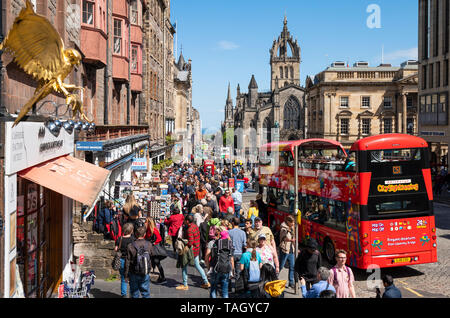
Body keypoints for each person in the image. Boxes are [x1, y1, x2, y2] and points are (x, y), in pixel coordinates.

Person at [176, 214, 210, 291]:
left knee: (184, 265)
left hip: (191, 250)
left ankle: (185, 284)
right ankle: (206, 282)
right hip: (197, 248)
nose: (184, 221)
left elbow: (190, 242)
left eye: (185, 220)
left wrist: (185, 245)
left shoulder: (189, 230)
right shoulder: (195, 226)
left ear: (187, 221)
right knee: (198, 265)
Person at [124, 226, 154, 298]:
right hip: (145, 271)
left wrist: (126, 275)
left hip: (133, 272)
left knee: (134, 293)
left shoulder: (130, 246)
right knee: (146, 293)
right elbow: (152, 256)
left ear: (135, 234)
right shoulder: (149, 244)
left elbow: (127, 261)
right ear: (144, 234)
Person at [207, 231, 235, 298]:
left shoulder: (215, 243)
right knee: (225, 291)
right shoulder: (230, 244)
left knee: (213, 288)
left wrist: (209, 268)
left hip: (216, 267)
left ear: (220, 235)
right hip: (226, 268)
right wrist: (232, 271)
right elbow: (232, 260)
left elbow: (207, 256)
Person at [114, 222, 135, 297]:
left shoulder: (120, 239)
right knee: (132, 278)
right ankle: (132, 294)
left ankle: (124, 294)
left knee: (123, 278)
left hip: (122, 260)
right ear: (131, 231)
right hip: (130, 261)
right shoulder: (133, 239)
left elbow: (116, 249)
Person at [145, 217, 166, 284]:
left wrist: (154, 243)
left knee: (157, 262)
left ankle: (163, 277)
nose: (144, 223)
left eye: (146, 221)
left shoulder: (154, 230)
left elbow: (159, 239)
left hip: (154, 249)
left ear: (149, 223)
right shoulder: (147, 229)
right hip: (150, 249)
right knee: (151, 261)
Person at [228, 217, 247, 282]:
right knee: (238, 272)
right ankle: (237, 286)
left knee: (231, 271)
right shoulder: (243, 233)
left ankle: (231, 286)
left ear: (232, 223)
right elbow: (245, 245)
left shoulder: (229, 232)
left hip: (231, 254)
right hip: (240, 253)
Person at [279, 215, 296, 289]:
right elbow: (284, 238)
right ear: (288, 222)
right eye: (291, 222)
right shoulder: (283, 228)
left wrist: (295, 246)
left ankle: (291, 282)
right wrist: (291, 240)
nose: (293, 223)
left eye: (293, 222)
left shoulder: (292, 228)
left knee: (292, 266)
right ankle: (274, 277)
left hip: (291, 249)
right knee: (281, 265)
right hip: (285, 249)